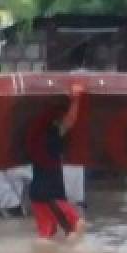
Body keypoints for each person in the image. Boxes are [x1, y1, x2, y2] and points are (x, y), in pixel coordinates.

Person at [26, 84, 86, 240]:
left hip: (36, 192)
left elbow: (66, 122)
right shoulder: (51, 137)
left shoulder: (33, 138)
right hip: (51, 195)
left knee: (47, 236)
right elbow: (70, 121)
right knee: (78, 226)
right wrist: (76, 100)